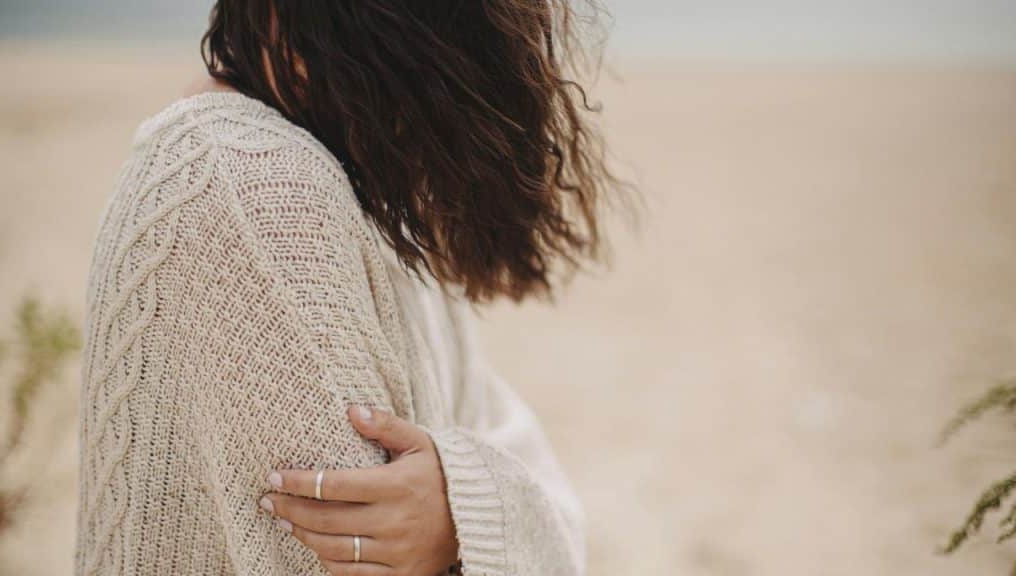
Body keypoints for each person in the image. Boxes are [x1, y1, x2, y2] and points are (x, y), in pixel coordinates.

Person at [75, 1, 628, 575]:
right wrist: (471, 517)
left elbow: (501, 428)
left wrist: (465, 512)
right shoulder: (254, 182)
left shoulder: (366, 182)